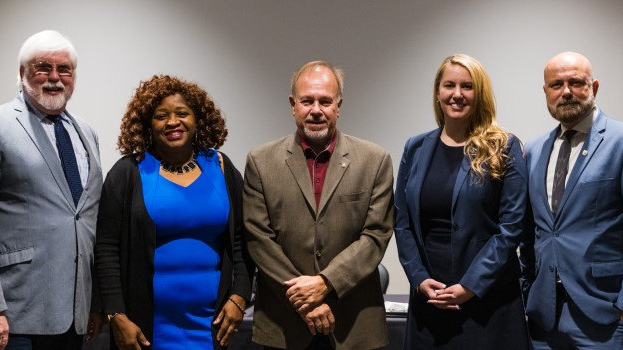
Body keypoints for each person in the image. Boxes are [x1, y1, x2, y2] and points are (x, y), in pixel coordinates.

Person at [0, 30, 103, 350]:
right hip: (10, 316)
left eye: (64, 70)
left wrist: (94, 302)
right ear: (22, 74)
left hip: (72, 315)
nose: (54, 77)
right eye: (42, 67)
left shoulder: (87, 133)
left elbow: (84, 221)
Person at [95, 75, 254, 349]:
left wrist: (240, 296)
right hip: (146, 328)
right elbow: (106, 248)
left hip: (213, 325)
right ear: (147, 123)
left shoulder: (221, 166)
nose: (172, 122)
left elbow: (242, 239)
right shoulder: (127, 173)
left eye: (182, 113)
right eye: (160, 116)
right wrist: (116, 315)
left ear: (198, 120)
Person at [243, 61, 394, 349]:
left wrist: (326, 283)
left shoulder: (375, 160)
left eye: (325, 101)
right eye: (307, 101)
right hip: (283, 324)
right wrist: (304, 301)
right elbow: (258, 238)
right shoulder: (260, 161)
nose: (316, 110)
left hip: (353, 326)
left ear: (338, 105)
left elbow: (375, 237)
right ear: (292, 105)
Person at [524, 51, 623, 349]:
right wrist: (527, 288)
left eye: (576, 82)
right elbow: (531, 232)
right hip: (543, 318)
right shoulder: (534, 150)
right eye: (556, 85)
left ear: (595, 87)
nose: (566, 92)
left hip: (607, 316)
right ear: (545, 92)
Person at [393, 54, 530, 349]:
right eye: (449, 85)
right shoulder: (415, 147)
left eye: (467, 86)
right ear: (437, 93)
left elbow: (511, 229)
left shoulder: (505, 147)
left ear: (479, 93)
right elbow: (402, 222)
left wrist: (470, 286)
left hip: (488, 299)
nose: (457, 94)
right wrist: (418, 278)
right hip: (430, 297)